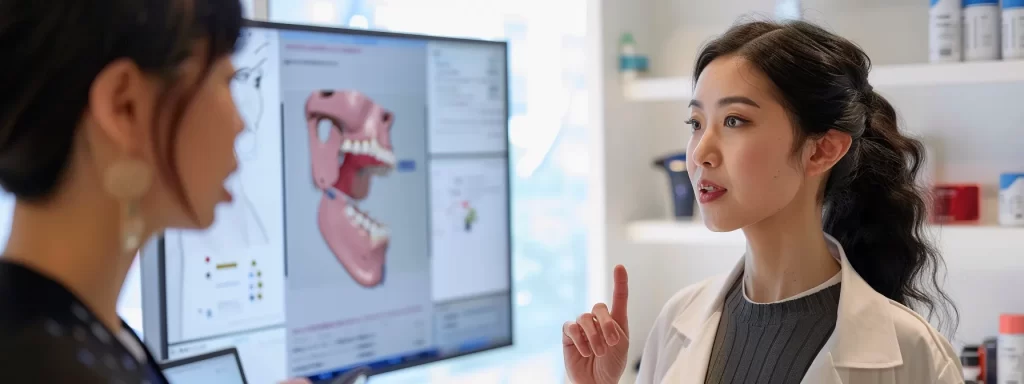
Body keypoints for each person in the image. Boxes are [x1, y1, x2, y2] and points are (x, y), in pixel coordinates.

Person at [562, 20, 963, 384]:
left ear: (822, 150)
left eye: (734, 121)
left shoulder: (917, 357)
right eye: (696, 124)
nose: (701, 152)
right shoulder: (676, 322)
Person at [0, 1, 317, 383]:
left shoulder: (64, 329)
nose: (240, 123)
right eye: (225, 82)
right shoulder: (55, 367)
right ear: (125, 106)